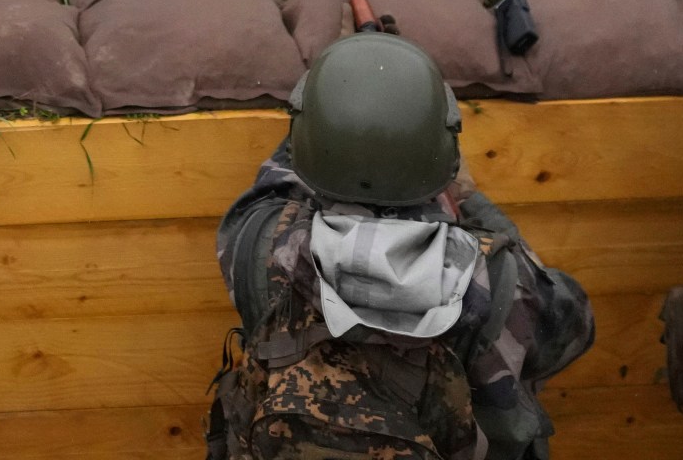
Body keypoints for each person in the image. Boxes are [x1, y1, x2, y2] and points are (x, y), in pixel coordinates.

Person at [210, 30, 596, 460]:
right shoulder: (499, 278)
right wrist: (471, 199)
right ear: (442, 151)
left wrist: (340, 94)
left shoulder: (255, 244)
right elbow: (575, 329)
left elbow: (275, 182)